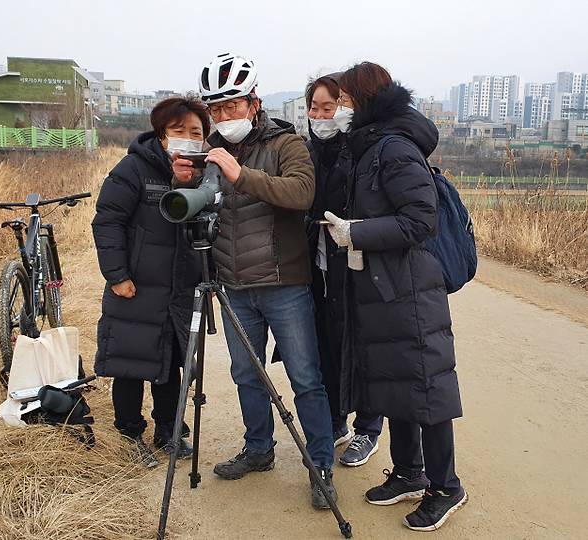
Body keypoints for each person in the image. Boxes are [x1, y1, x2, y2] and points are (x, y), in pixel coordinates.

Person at [173, 53, 337, 509]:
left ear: (254, 102)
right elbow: (202, 209)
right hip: (233, 285)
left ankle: (320, 463)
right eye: (216, 110)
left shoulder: (286, 144)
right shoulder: (209, 149)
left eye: (232, 107)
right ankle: (259, 449)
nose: (224, 118)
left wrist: (240, 174)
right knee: (247, 374)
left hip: (285, 283)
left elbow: (302, 194)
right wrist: (185, 181)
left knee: (306, 378)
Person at [324, 62, 468, 531]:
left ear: (365, 100)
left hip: (409, 287)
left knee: (426, 387)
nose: (339, 108)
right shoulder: (369, 145)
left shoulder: (395, 148)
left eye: (344, 99)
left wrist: (358, 232)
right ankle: (409, 472)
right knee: (395, 385)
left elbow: (420, 220)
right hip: (382, 287)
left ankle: (446, 487)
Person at [92, 97, 211, 467]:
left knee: (171, 365)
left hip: (179, 289)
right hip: (136, 288)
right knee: (131, 366)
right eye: (179, 132)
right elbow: (107, 221)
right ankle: (130, 434)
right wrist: (117, 275)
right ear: (161, 136)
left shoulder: (203, 173)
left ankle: (168, 430)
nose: (188, 139)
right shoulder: (133, 169)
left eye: (196, 133)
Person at [305, 73, 384, 467]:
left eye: (329, 106)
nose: (321, 115)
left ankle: (368, 428)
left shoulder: (358, 149)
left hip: (355, 264)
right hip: (319, 264)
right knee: (326, 346)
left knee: (361, 347)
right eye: (314, 107)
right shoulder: (307, 150)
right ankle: (336, 420)